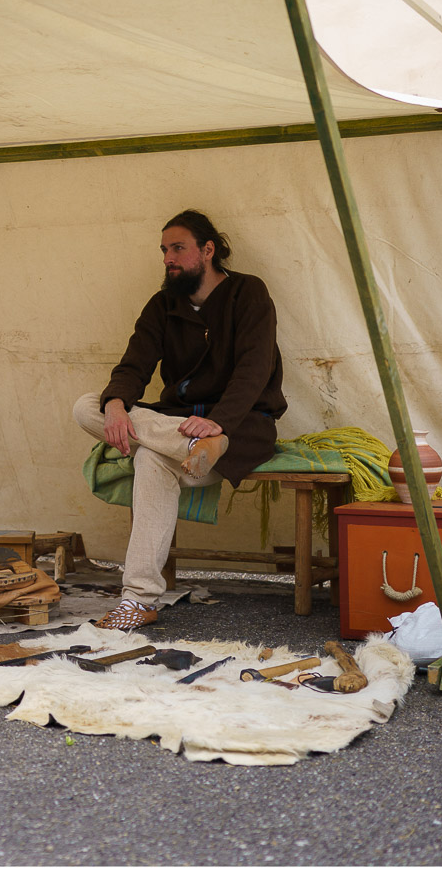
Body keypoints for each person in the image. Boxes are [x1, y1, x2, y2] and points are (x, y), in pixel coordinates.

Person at [72, 210, 286, 631]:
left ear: (208, 251)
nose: (168, 258)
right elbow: (134, 364)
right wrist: (116, 402)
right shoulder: (162, 304)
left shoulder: (248, 293)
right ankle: (139, 600)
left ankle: (137, 600)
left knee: (148, 458)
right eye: (164, 250)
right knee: (86, 406)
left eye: (178, 248)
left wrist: (219, 424)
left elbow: (254, 368)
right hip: (181, 429)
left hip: (241, 426)